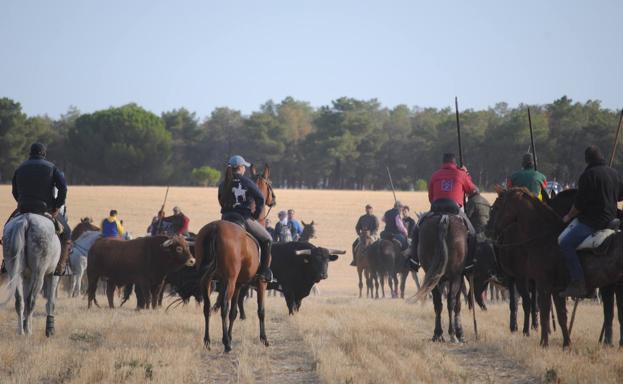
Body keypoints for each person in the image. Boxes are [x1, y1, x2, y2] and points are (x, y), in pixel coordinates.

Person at [559, 145, 623, 298]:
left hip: (592, 223)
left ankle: (578, 282)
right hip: (612, 221)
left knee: (565, 243)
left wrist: (568, 217)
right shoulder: (614, 173)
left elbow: (579, 205)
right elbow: (620, 196)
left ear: (587, 160)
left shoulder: (588, 175)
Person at [4, 143, 71, 276]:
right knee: (67, 232)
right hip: (46, 208)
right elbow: (63, 188)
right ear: (44, 154)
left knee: (7, 229)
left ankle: (6, 264)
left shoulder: (20, 168)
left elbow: (14, 190)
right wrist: (57, 206)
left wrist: (21, 202)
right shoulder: (52, 168)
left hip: (23, 208)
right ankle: (60, 266)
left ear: (30, 153)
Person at [409, 153, 478, 271]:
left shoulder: (435, 175)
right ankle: (469, 263)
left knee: (417, 228)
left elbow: (431, 197)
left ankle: (414, 260)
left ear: (443, 163)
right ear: (454, 163)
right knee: (472, 233)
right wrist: (467, 175)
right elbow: (473, 190)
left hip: (436, 207)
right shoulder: (461, 174)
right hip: (454, 208)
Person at [218, 155, 273, 282]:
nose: (245, 169)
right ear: (241, 168)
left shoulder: (223, 183)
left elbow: (220, 200)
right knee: (267, 240)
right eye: (244, 167)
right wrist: (255, 215)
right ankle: (263, 272)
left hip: (225, 218)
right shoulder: (247, 182)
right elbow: (260, 198)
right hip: (243, 218)